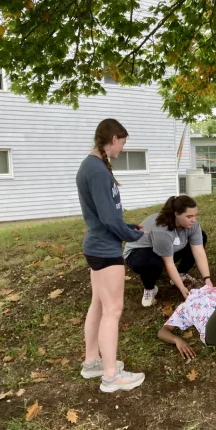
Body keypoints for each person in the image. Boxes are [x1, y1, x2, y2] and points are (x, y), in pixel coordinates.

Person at [75, 118, 145, 393]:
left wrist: (127, 226)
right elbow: (106, 218)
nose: (123, 149)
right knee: (113, 310)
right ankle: (111, 376)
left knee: (99, 305)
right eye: (123, 143)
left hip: (98, 245)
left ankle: (92, 362)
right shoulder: (96, 170)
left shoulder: (94, 166)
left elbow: (107, 215)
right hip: (105, 250)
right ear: (113, 139)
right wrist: (132, 235)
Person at [124, 196, 213, 307]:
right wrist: (182, 288)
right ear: (176, 214)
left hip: (166, 247)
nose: (193, 220)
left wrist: (207, 278)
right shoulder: (162, 229)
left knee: (202, 236)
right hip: (138, 252)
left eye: (195, 215)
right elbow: (169, 262)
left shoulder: (193, 225)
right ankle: (150, 288)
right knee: (152, 263)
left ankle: (181, 273)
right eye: (189, 216)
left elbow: (198, 251)